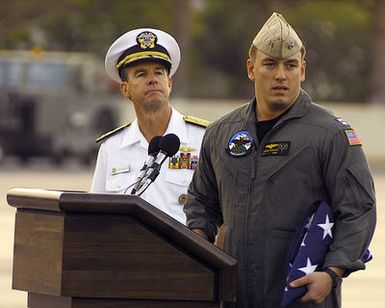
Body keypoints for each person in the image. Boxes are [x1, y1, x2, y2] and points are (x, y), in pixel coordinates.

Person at [184, 12, 376, 307]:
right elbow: (202, 202)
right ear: (251, 69)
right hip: (235, 296)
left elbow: (359, 209)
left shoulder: (330, 134)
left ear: (303, 70)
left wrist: (332, 272)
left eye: (290, 65)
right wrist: (199, 252)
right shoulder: (220, 133)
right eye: (270, 64)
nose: (281, 75)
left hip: (302, 296)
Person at [91, 28, 209, 225]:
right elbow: (95, 216)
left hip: (186, 253)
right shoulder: (111, 147)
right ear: (125, 88)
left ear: (169, 83)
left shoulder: (204, 139)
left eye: (159, 72)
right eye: (141, 74)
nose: (153, 79)